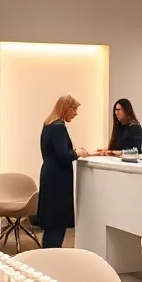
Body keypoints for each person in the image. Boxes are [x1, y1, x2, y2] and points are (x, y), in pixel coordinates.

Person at [39, 95, 88, 248]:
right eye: (74, 109)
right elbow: (63, 155)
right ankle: (52, 257)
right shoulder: (58, 127)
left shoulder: (48, 125)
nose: (76, 113)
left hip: (50, 175)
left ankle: (48, 255)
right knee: (57, 222)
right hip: (58, 178)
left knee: (51, 223)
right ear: (66, 108)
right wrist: (77, 152)